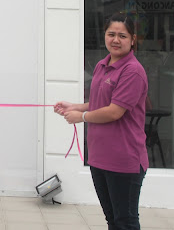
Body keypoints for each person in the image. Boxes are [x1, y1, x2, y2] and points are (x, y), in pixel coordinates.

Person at [54, 13, 149, 230]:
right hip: (100, 157)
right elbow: (101, 103)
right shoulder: (101, 65)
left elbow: (115, 111)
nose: (116, 40)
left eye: (122, 36)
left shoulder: (132, 71)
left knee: (125, 221)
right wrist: (76, 107)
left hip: (124, 159)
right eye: (111, 34)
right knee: (112, 220)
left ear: (133, 39)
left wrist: (81, 117)